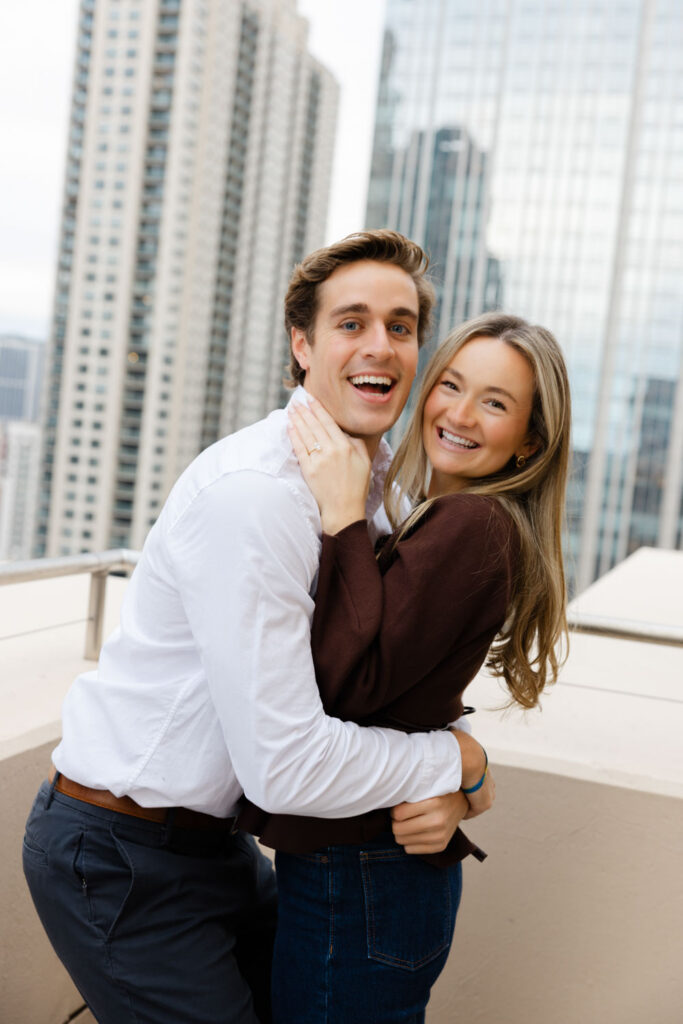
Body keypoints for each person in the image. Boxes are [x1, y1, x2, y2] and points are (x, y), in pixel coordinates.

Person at [22, 231, 491, 1024]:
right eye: (351, 323)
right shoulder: (259, 496)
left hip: (218, 850)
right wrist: (450, 761)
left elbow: (392, 676)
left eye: (401, 326)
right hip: (118, 853)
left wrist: (458, 785)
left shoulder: (381, 494)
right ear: (302, 346)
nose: (379, 344)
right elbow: (285, 769)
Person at [239, 311, 572, 1023]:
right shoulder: (435, 515)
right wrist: (460, 762)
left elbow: (348, 684)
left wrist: (338, 514)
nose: (458, 413)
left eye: (494, 402)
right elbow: (406, 681)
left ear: (530, 442)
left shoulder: (472, 525)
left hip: (362, 874)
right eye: (450, 385)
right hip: (373, 867)